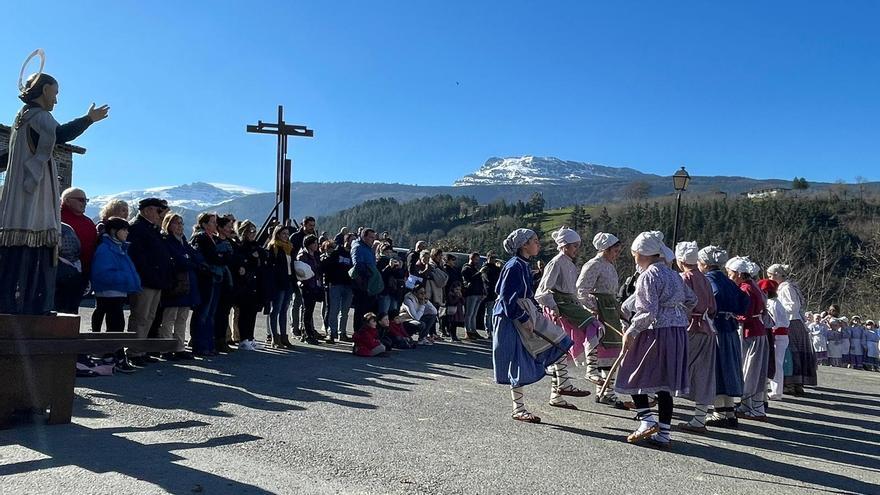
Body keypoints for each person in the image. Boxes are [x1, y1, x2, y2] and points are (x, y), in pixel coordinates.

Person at [0, 69, 108, 315]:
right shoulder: (39, 116)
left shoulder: (22, 118)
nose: (56, 100)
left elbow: (10, 157)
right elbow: (60, 135)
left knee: (18, 249)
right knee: (36, 237)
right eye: (55, 92)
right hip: (33, 194)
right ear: (45, 89)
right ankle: (33, 304)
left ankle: (15, 301)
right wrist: (88, 119)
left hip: (22, 192)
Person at [492, 228, 586, 424]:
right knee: (519, 359)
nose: (538, 244)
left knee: (560, 341)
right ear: (524, 245)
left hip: (525, 311)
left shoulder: (524, 265)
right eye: (535, 240)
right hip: (513, 318)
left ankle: (562, 387)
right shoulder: (514, 266)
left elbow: (526, 294)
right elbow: (506, 296)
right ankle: (519, 408)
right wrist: (523, 317)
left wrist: (534, 310)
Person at [615, 231, 694, 448]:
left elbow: (647, 311)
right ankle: (664, 434)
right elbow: (691, 299)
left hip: (655, 331)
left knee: (633, 372)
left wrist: (631, 332)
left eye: (635, 255)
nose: (635, 259)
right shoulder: (673, 274)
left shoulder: (648, 276)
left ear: (642, 254)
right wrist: (680, 315)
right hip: (677, 332)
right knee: (663, 384)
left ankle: (647, 421)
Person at [535, 227, 598, 390]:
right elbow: (542, 292)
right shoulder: (556, 262)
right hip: (558, 308)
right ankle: (590, 370)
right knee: (589, 329)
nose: (577, 249)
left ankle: (556, 395)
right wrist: (554, 306)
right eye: (574, 246)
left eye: (578, 246)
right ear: (564, 245)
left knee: (564, 344)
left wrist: (581, 304)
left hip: (569, 305)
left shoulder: (568, 263)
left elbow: (572, 291)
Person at [698, 246, 749, 429]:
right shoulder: (729, 282)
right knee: (728, 367)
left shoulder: (709, 281)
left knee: (717, 368)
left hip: (716, 328)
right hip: (730, 329)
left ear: (704, 263)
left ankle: (720, 411)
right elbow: (744, 302)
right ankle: (728, 410)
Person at [576, 231, 625, 407]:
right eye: (615, 251)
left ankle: (605, 392)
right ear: (606, 249)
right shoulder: (593, 265)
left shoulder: (609, 265)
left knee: (611, 352)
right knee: (600, 348)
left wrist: (617, 311)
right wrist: (595, 308)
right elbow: (581, 290)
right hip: (599, 313)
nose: (617, 254)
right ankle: (599, 381)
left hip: (610, 311)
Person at [674, 241, 718, 434]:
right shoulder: (705, 278)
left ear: (681, 259)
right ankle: (700, 417)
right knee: (704, 372)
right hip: (708, 329)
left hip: (690, 328)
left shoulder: (684, 278)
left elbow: (681, 304)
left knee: (676, 367)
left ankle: (657, 408)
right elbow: (713, 308)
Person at [90, 217, 141, 372]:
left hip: (117, 291)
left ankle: (113, 355)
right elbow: (102, 273)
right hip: (109, 291)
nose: (127, 232)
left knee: (117, 323)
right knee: (116, 324)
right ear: (113, 231)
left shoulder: (118, 247)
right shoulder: (106, 249)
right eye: (124, 229)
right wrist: (125, 279)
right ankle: (114, 356)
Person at [126, 198, 173, 366]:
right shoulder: (137, 228)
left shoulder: (152, 229)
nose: (159, 214)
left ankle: (141, 349)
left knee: (150, 316)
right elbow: (138, 257)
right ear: (146, 210)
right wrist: (150, 274)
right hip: (144, 280)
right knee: (140, 316)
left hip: (155, 281)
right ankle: (133, 351)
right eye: (156, 210)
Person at [725, 257, 768, 421]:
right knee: (750, 370)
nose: (729, 277)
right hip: (755, 331)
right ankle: (747, 405)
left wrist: (732, 316)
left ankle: (757, 409)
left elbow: (746, 314)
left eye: (731, 274)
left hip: (751, 333)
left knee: (751, 371)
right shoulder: (752, 286)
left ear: (739, 274)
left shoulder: (746, 289)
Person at [767, 264, 817, 395]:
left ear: (778, 275)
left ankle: (791, 384)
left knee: (790, 354)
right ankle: (794, 383)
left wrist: (777, 308)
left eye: (771, 276)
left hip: (791, 323)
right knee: (792, 354)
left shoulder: (786, 288)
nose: (769, 278)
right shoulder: (785, 287)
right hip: (791, 322)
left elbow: (793, 306)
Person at [159, 213, 200, 360]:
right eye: (176, 223)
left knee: (182, 318)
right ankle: (166, 348)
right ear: (168, 225)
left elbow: (194, 257)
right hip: (175, 284)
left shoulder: (183, 241)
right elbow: (179, 260)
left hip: (187, 284)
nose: (180, 226)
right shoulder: (167, 241)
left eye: (181, 223)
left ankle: (179, 347)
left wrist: (188, 260)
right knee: (169, 317)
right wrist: (187, 261)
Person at [189, 213, 224, 355]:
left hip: (214, 279)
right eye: (213, 222)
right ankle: (200, 345)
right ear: (204, 224)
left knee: (210, 314)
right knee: (203, 313)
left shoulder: (212, 239)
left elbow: (223, 257)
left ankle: (209, 344)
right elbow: (213, 258)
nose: (215, 225)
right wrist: (220, 256)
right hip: (206, 279)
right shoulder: (200, 237)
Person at [233, 220, 267, 351]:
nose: (253, 233)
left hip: (256, 283)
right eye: (251, 231)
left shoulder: (255, 245)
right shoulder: (241, 246)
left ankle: (251, 338)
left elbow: (263, 255)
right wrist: (252, 258)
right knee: (245, 313)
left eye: (254, 231)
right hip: (245, 284)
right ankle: (243, 339)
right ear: (244, 232)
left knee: (253, 312)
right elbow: (243, 262)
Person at [265, 225, 296, 349]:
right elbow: (271, 268)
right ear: (277, 234)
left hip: (288, 281)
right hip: (278, 283)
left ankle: (284, 336)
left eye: (287, 234)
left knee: (284, 310)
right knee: (276, 310)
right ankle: (274, 337)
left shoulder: (290, 248)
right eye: (283, 234)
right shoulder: (274, 247)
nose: (286, 236)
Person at [759, 278, 789, 401]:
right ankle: (773, 389)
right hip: (780, 336)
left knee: (776, 363)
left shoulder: (772, 304)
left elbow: (773, 323)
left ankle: (776, 392)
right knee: (775, 362)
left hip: (777, 336)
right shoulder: (776, 302)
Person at [321, 233, 355, 343]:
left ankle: (342, 333)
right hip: (336, 284)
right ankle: (331, 333)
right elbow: (327, 267)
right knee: (333, 310)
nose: (353, 242)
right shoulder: (336, 252)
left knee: (345, 311)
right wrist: (328, 282)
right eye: (351, 240)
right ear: (346, 241)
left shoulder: (353, 255)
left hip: (349, 285)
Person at [211, 217, 238, 353]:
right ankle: (216, 340)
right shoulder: (215, 242)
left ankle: (222, 340)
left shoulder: (231, 243)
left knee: (225, 312)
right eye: (227, 226)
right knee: (217, 312)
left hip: (229, 281)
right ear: (220, 228)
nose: (230, 229)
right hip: (218, 281)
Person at [288, 216, 316, 336]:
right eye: (310, 225)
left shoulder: (312, 236)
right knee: (297, 301)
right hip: (296, 272)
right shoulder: (295, 237)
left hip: (309, 274)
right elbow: (291, 254)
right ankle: (295, 327)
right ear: (303, 225)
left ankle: (308, 327)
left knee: (308, 304)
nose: (312, 228)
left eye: (313, 225)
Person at [351, 228, 382, 332]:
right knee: (361, 312)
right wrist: (369, 274)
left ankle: (369, 335)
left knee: (372, 311)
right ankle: (358, 336)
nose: (373, 240)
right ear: (364, 237)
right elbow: (358, 265)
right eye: (370, 237)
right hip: (364, 285)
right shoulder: (358, 247)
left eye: (374, 237)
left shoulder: (368, 248)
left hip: (371, 285)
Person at [297, 234, 323, 345]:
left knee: (309, 310)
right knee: (307, 310)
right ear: (309, 244)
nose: (317, 245)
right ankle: (307, 334)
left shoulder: (315, 255)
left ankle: (307, 333)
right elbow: (301, 271)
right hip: (306, 285)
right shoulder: (303, 255)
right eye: (314, 243)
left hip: (314, 285)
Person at [461, 252, 486, 340]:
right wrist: (480, 272)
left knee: (474, 314)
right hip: (471, 293)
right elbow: (470, 278)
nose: (477, 261)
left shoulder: (475, 268)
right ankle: (468, 331)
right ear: (471, 258)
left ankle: (473, 330)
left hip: (478, 293)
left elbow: (480, 281)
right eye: (476, 259)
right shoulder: (466, 268)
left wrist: (483, 292)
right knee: (469, 313)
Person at [478, 251, 502, 335]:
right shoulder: (485, 268)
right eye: (492, 258)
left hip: (496, 293)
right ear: (488, 258)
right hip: (488, 292)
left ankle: (493, 329)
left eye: (495, 258)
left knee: (494, 313)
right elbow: (487, 279)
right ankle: (488, 330)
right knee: (489, 313)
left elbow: (500, 278)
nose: (494, 260)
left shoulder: (496, 268)